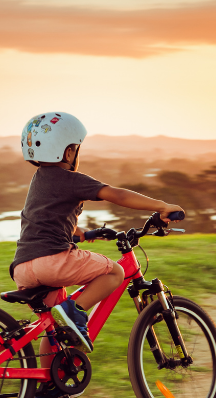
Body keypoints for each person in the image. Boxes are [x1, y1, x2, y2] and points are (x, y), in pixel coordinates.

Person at [10, 111, 182, 353]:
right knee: (115, 272)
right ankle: (74, 311)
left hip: (22, 268)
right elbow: (117, 194)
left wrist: (80, 232)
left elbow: (45, 219)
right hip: (51, 261)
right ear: (68, 153)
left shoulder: (38, 180)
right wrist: (162, 206)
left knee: (55, 328)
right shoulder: (69, 179)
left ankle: (50, 377)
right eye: (77, 148)